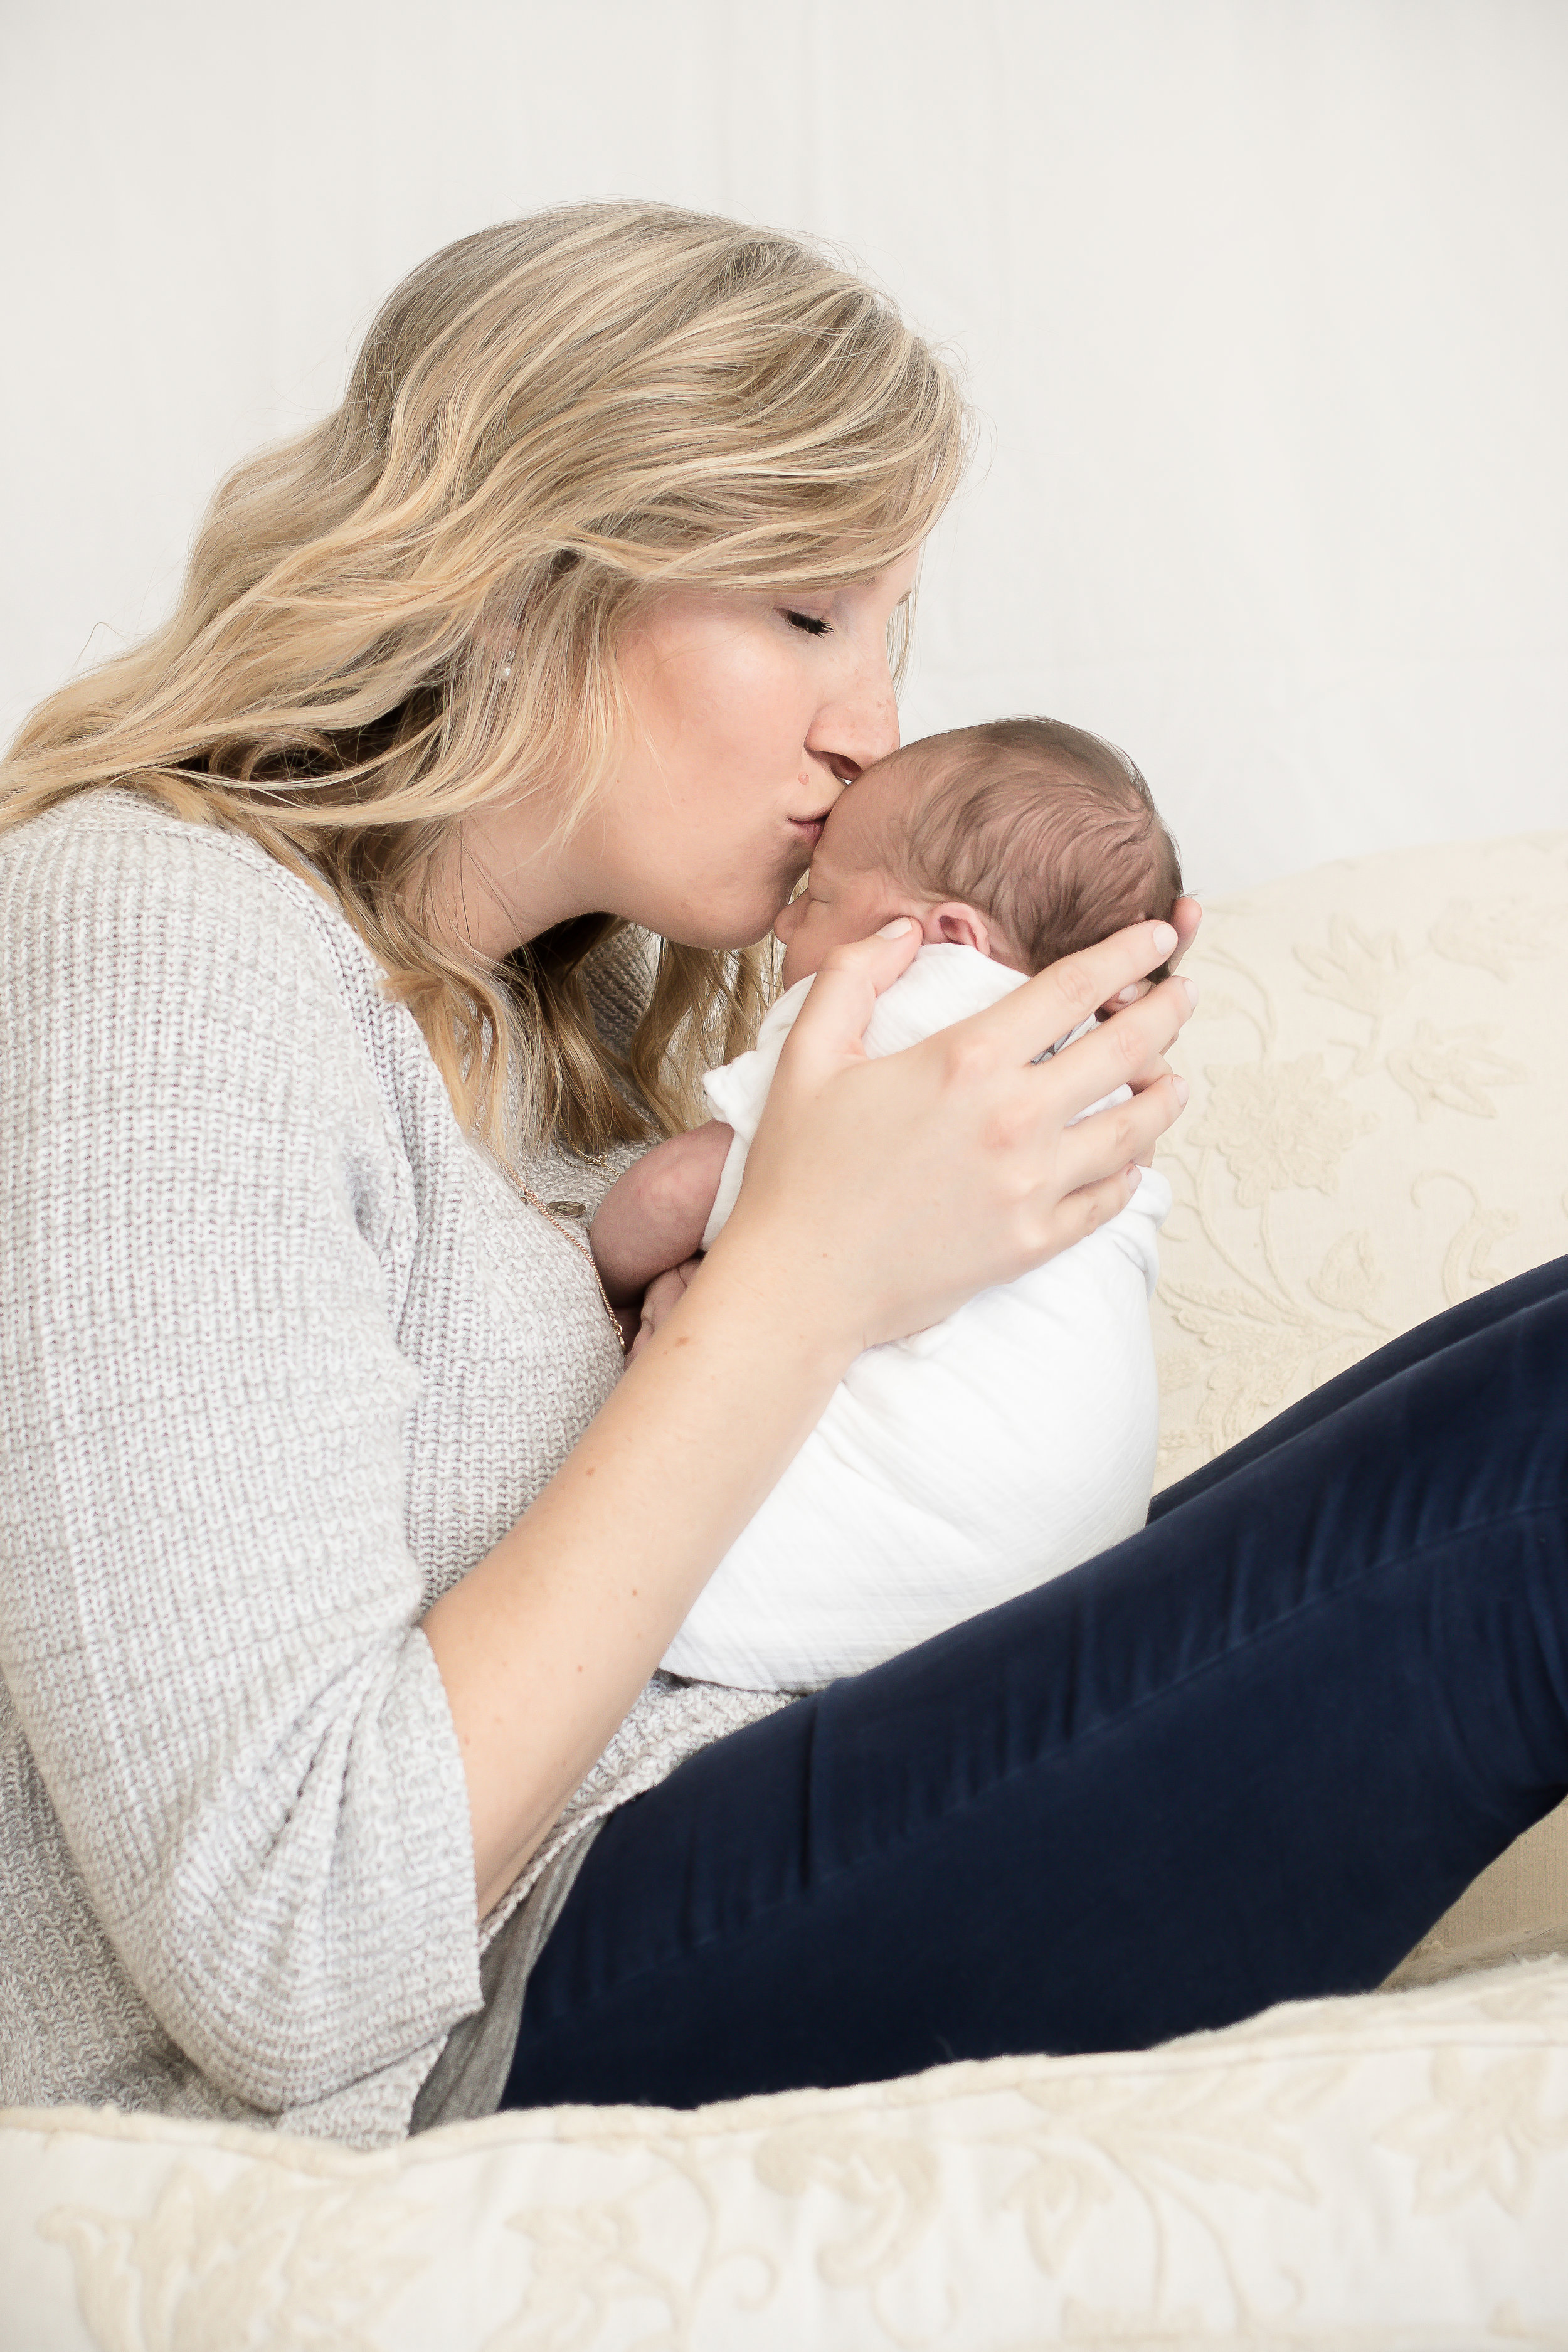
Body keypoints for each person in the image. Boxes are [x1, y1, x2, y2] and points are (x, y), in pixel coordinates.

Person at [1, 205, 1562, 2146]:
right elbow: (288, 1932)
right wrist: (807, 1275)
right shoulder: (156, 935)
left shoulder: (580, 1031)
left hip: (751, 1799)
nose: (873, 727)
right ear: (510, 576)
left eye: (891, 629)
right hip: (473, 2014)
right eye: (807, 612)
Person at [589, 717, 1184, 1690]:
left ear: (943, 936)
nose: (787, 926)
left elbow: (666, 1193)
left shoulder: (909, 1005)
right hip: (1075, 1555)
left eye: (816, 897)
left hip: (869, 1538)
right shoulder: (1099, 1066)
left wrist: (598, 1265)